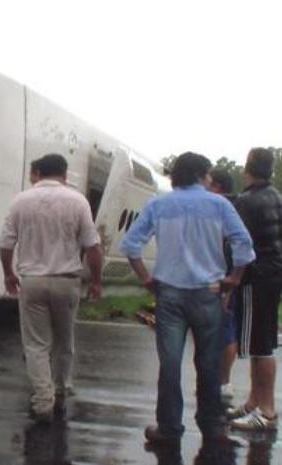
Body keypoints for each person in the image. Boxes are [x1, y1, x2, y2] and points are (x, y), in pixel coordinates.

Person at [120, 152, 255, 444]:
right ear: (200, 175)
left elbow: (130, 245)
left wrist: (146, 278)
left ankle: (168, 427)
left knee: (169, 362)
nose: (209, 179)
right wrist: (233, 279)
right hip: (209, 293)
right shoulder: (219, 204)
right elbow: (243, 243)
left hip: (169, 294)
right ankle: (211, 422)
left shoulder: (158, 203)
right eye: (208, 175)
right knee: (208, 362)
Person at [0, 153, 103, 422]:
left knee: (36, 344)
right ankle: (60, 390)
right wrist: (96, 280)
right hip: (67, 280)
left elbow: (6, 244)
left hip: (32, 281)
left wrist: (8, 274)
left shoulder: (20, 201)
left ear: (37, 173)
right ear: (64, 175)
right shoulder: (78, 201)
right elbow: (93, 246)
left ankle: (42, 400)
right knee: (64, 341)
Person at [227, 148, 282, 431]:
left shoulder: (246, 202)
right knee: (262, 340)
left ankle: (267, 409)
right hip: (273, 276)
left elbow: (239, 244)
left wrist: (230, 281)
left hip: (254, 278)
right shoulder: (277, 197)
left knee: (261, 346)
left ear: (247, 168)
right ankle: (253, 402)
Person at [208, 169, 239, 402]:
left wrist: (228, 280)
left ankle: (223, 382)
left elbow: (231, 247)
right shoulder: (238, 206)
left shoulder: (222, 210)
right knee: (226, 329)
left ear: (217, 186)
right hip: (234, 277)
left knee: (225, 331)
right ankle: (222, 380)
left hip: (225, 278)